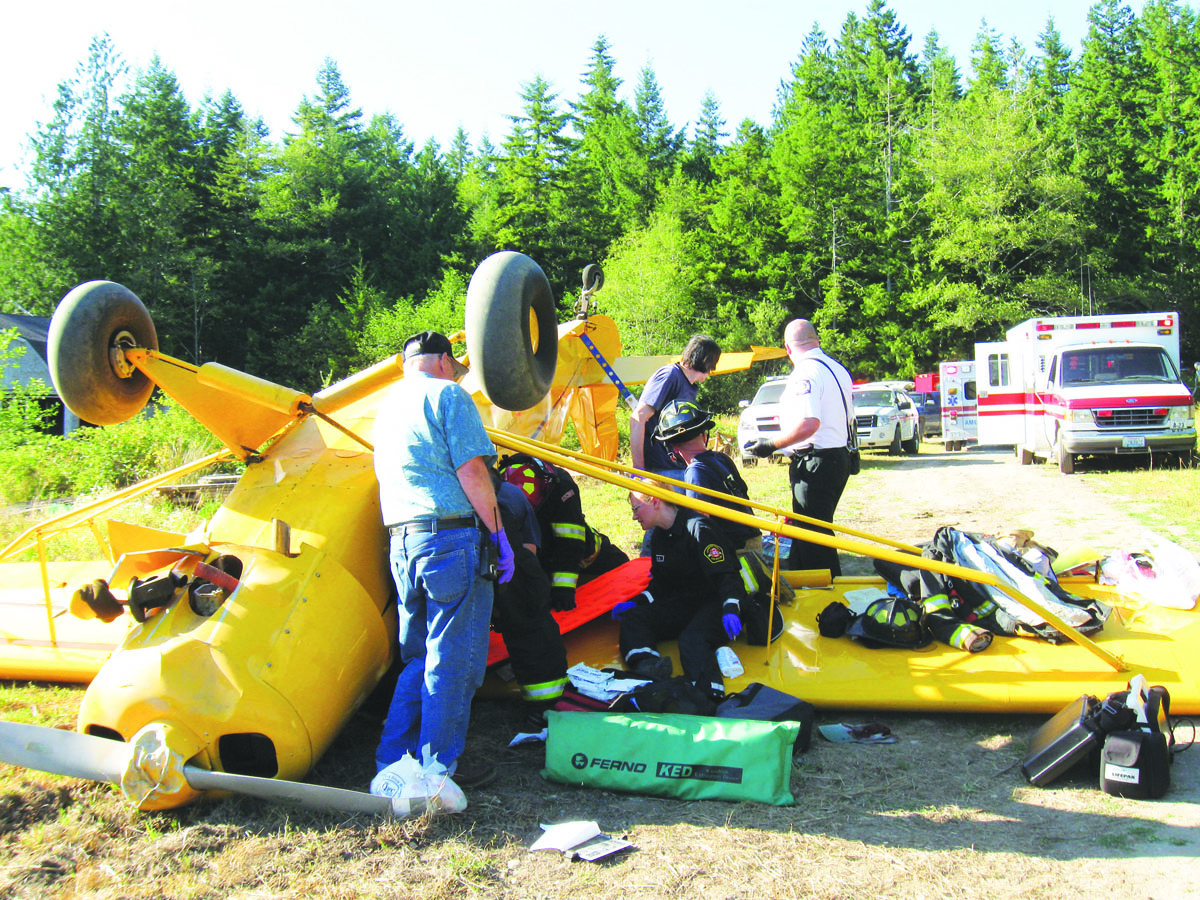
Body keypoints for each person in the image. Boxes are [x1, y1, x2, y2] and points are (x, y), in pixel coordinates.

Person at [373, 330, 515, 791]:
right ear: (445, 362)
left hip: (402, 544)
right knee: (452, 660)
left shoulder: (386, 408)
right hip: (451, 541)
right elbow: (472, 471)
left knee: (417, 657)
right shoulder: (448, 394)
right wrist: (500, 536)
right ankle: (437, 769)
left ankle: (393, 763)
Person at [612, 489, 749, 700]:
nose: (634, 516)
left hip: (715, 603)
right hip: (685, 603)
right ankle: (649, 668)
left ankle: (708, 694)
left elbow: (727, 576)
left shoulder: (699, 529)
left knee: (692, 640)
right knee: (634, 618)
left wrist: (731, 608)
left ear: (655, 501)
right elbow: (661, 585)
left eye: (636, 509)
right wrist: (636, 603)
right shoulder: (659, 536)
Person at [748, 319, 854, 576]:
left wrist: (770, 445)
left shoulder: (805, 373)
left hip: (815, 461)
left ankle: (827, 596)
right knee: (814, 531)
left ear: (787, 348)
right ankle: (808, 583)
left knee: (814, 537)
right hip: (837, 456)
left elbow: (809, 424)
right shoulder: (837, 369)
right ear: (816, 340)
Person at [490, 472, 571, 733]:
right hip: (504, 561)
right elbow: (528, 550)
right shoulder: (509, 497)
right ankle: (544, 711)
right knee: (535, 633)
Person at [499, 454, 629, 611]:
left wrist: (563, 591)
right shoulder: (500, 486)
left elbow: (570, 545)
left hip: (585, 553)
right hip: (542, 557)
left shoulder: (562, 488)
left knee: (623, 570)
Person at [652, 399, 761, 552]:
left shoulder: (695, 471)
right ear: (704, 436)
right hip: (751, 536)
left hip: (736, 550)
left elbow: (700, 520)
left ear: (674, 449)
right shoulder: (722, 458)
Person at [630, 334, 722, 478]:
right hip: (663, 469)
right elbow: (638, 418)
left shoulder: (688, 385)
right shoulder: (669, 376)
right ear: (706, 361)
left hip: (681, 467)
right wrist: (638, 470)